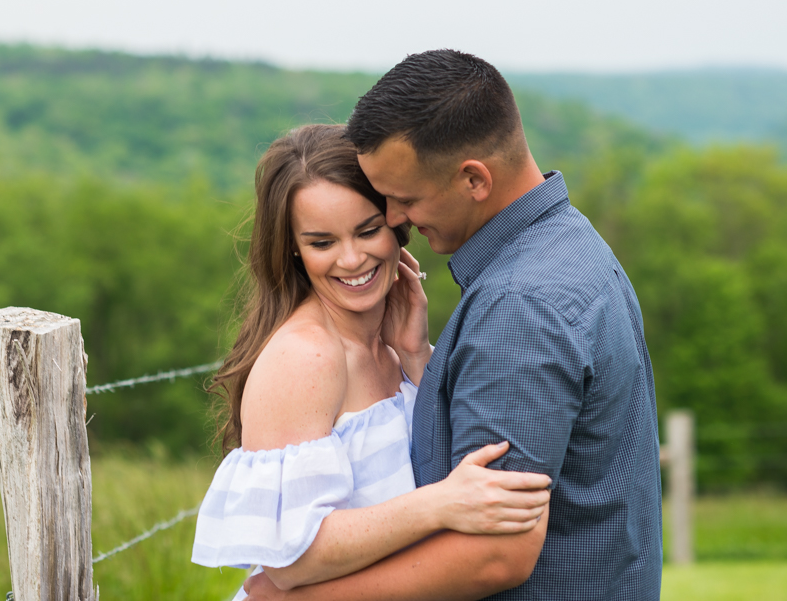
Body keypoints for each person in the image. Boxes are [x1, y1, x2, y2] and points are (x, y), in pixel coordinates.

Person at [244, 51, 664, 601]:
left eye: (403, 199)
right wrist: (422, 360)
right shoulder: (570, 244)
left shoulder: (521, 303)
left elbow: (494, 554)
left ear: (473, 179)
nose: (396, 219)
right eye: (323, 240)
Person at [191, 124, 553, 601]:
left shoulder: (391, 342)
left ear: (396, 222)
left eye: (368, 231)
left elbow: (438, 449)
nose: (351, 259)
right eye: (322, 242)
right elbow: (291, 561)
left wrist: (417, 355)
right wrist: (438, 506)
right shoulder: (307, 356)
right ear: (294, 250)